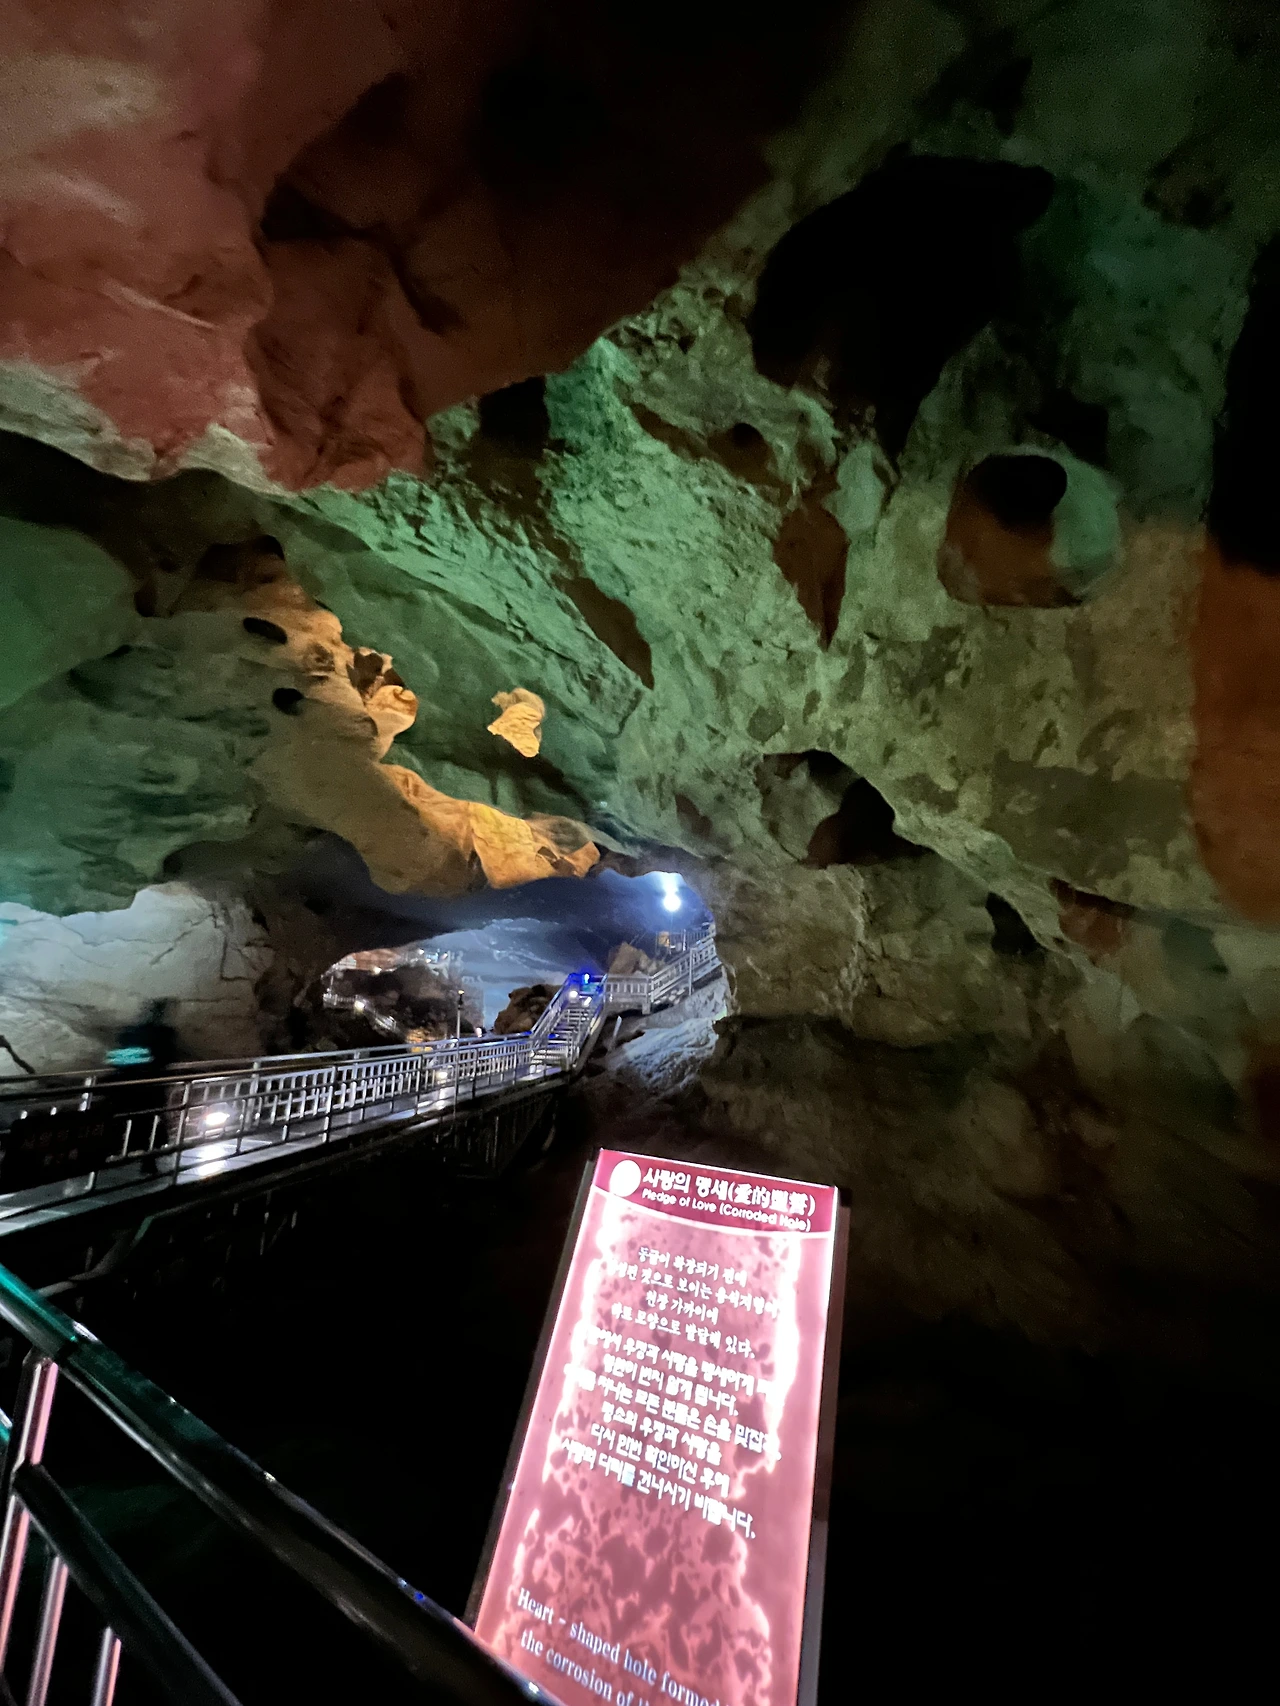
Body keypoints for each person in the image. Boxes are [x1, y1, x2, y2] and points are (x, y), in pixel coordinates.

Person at [106, 1001, 184, 1174]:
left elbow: (116, 1057)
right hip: (152, 1086)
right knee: (150, 1122)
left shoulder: (130, 1032)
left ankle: (114, 1155)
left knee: (127, 1120)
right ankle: (148, 1160)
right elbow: (168, 1058)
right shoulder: (164, 1034)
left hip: (126, 1086)